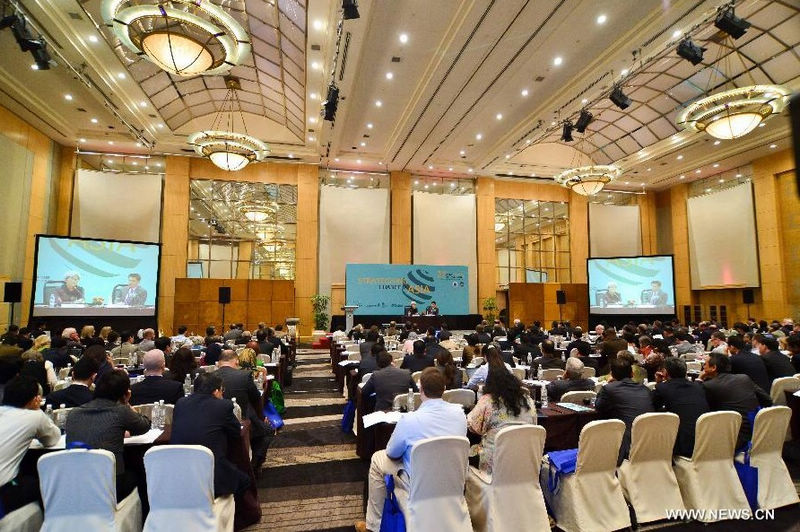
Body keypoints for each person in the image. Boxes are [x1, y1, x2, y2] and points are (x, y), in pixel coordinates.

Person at [357, 368, 466, 532]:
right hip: (452, 476)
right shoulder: (459, 413)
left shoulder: (409, 420)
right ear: (444, 389)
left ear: (420, 390)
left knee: (377, 459)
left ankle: (374, 525)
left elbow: (391, 453)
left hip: (417, 480)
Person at [65, 369, 151, 501]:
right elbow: (145, 425)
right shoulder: (120, 411)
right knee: (140, 473)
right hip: (110, 482)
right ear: (125, 392)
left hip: (76, 481)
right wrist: (126, 403)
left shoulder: (73, 413)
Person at [170, 373, 250, 497]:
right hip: (211, 473)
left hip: (179, 473)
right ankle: (233, 514)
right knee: (245, 481)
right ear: (216, 391)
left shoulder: (180, 404)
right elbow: (235, 432)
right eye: (222, 390)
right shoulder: (223, 405)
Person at [0, 376, 61, 514]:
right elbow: (52, 438)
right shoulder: (34, 417)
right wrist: (37, 409)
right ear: (35, 399)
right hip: (4, 488)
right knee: (45, 483)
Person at [468, 363, 536, 474]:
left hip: (495, 460)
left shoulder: (487, 400)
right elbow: (533, 424)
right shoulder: (528, 400)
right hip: (523, 458)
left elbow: (473, 427)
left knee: (471, 451)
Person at [700, 351, 772, 450]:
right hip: (759, 431)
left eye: (705, 364)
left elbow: (702, 411)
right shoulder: (744, 378)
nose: (703, 367)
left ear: (713, 368)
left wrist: (700, 379)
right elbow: (767, 400)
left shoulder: (709, 385)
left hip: (733, 437)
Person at [215, 350, 270, 472]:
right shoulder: (244, 376)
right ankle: (254, 464)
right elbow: (256, 399)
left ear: (219, 362)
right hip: (241, 420)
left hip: (215, 421)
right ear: (236, 362)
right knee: (267, 430)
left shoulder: (211, 376)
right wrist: (261, 418)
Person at [594, 358, 654, 465]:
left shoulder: (609, 389)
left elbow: (599, 407)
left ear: (612, 374)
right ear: (631, 373)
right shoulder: (645, 389)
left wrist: (607, 385)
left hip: (625, 446)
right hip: (648, 442)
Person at [653, 357, 710, 457]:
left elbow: (653, 408)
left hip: (683, 445)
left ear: (665, 372)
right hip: (705, 440)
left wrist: (658, 382)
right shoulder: (698, 387)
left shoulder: (662, 387)